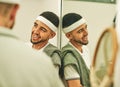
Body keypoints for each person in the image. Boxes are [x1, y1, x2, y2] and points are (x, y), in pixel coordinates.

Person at [0, 0, 64, 87]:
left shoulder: (53, 56)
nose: (36, 31)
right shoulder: (23, 47)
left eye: (43, 29)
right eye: (35, 25)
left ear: (52, 35)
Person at [61, 13, 91, 87]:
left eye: (86, 27)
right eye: (80, 31)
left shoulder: (85, 49)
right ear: (69, 36)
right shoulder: (69, 56)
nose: (86, 33)